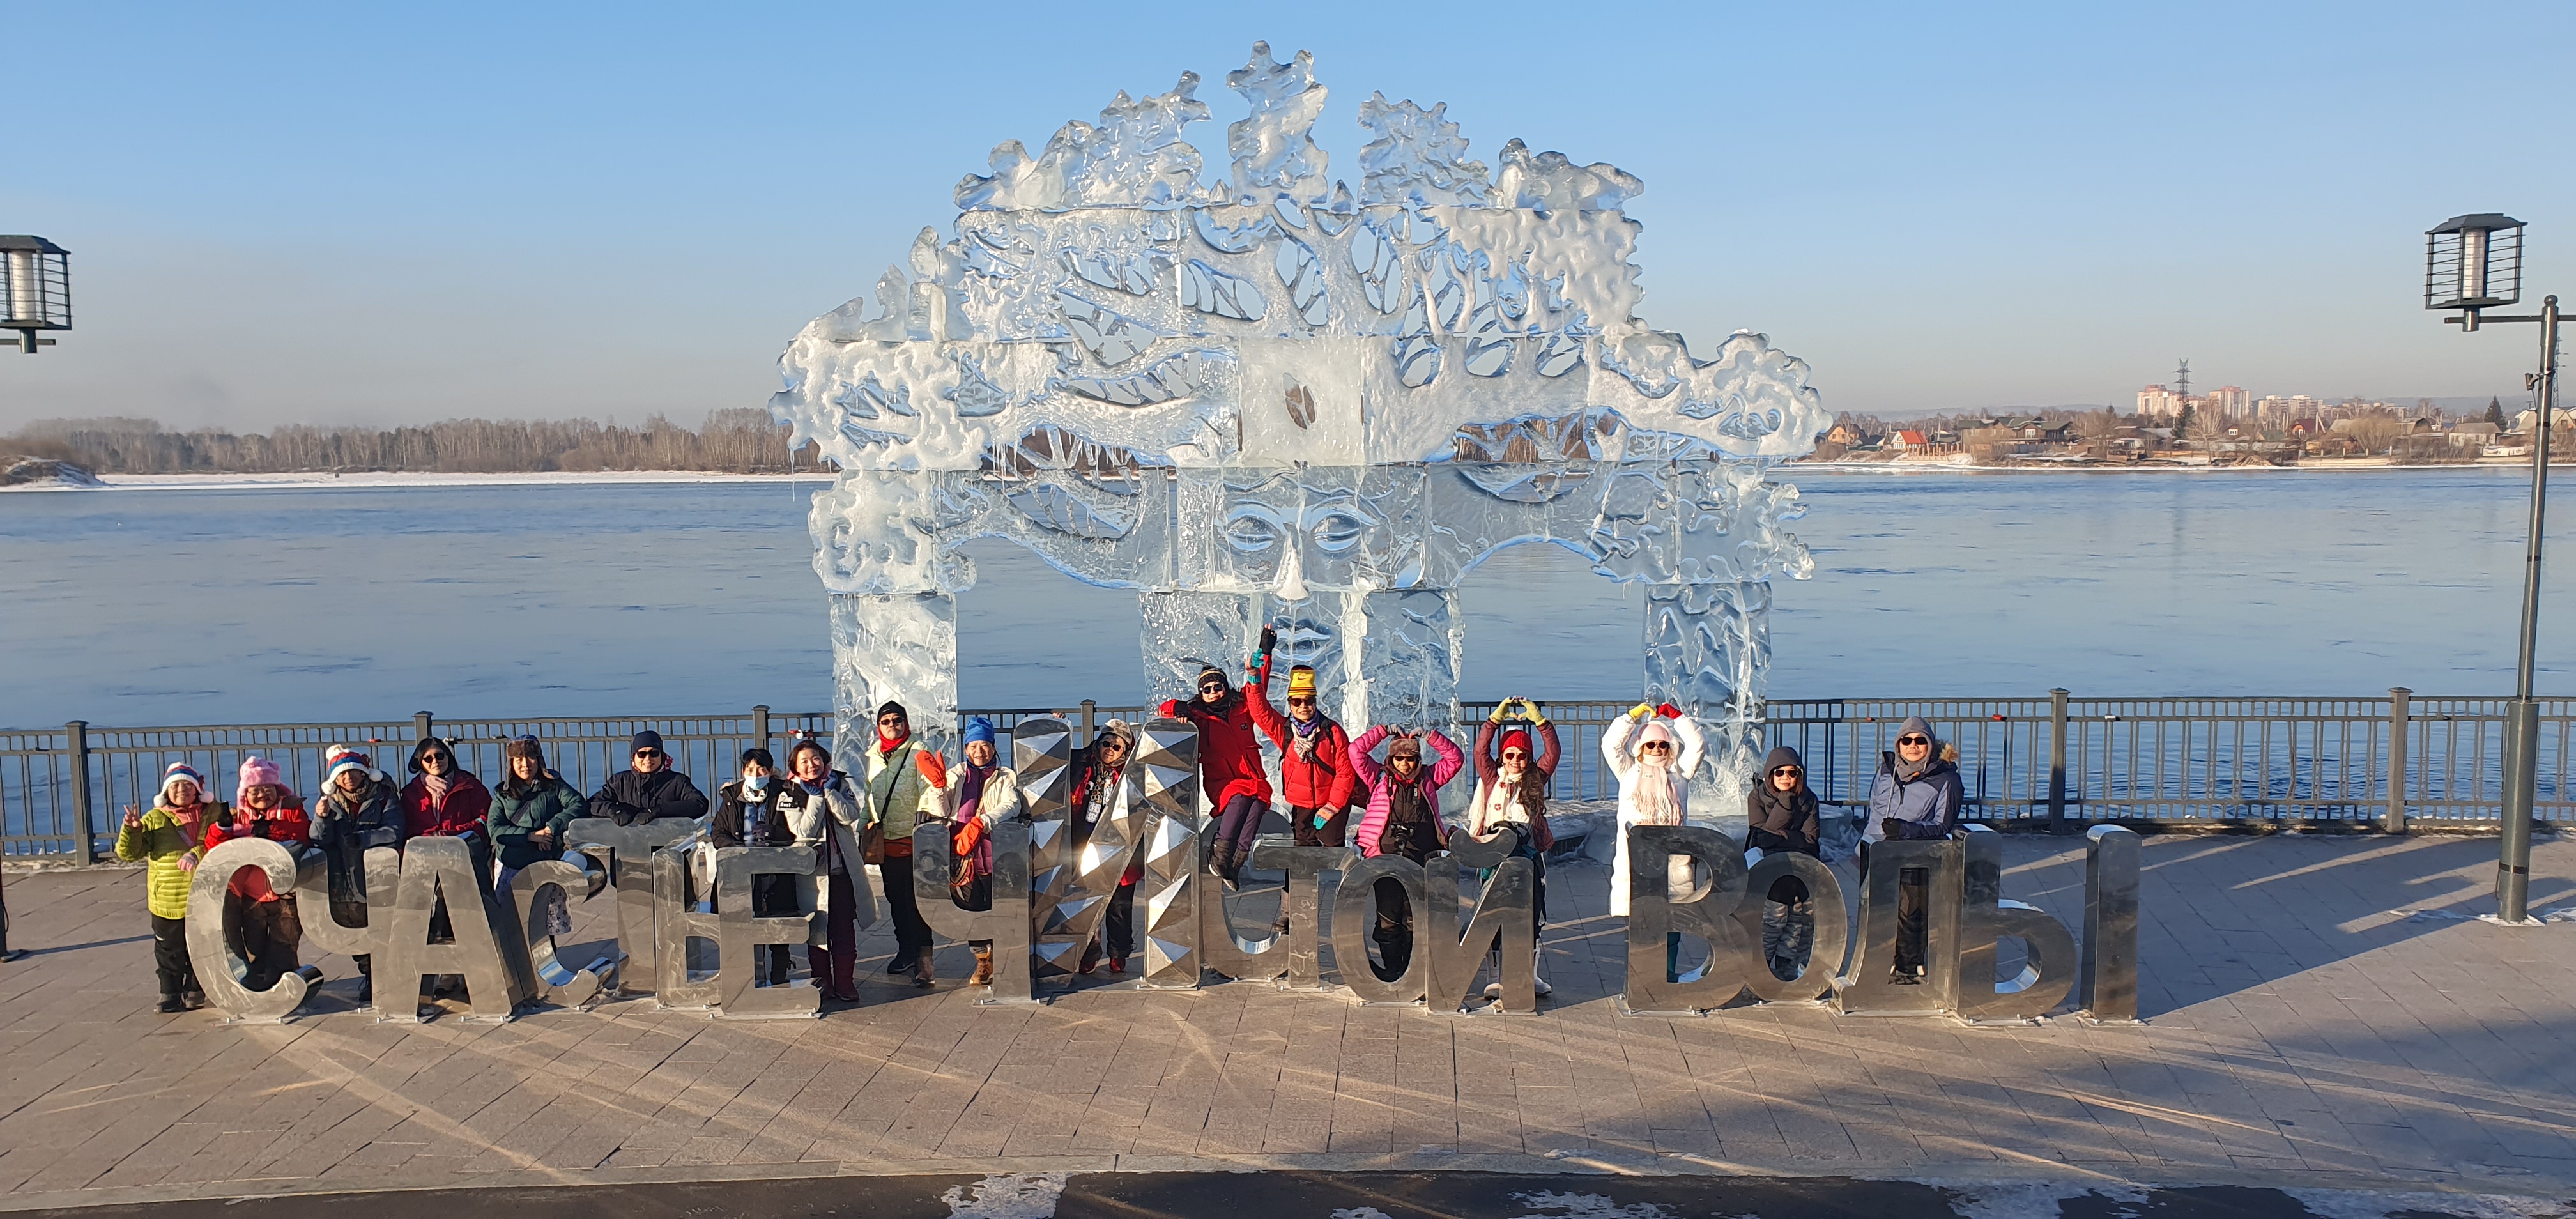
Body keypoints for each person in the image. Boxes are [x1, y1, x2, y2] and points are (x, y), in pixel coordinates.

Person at [1158, 629, 1278, 887]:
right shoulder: (1198, 715)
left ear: (1225, 687)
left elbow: (1258, 686)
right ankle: (1220, 853)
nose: (1213, 692)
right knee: (1240, 798)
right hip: (1222, 780)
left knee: (1257, 805)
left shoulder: (1243, 706)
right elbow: (1165, 710)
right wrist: (1177, 708)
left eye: (1218, 687)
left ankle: (1235, 864)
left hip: (1252, 776)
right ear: (1201, 694)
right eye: (1207, 689)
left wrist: (1265, 651)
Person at [1348, 723, 1463, 981]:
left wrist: (1430, 736)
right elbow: (1356, 751)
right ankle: (1392, 970)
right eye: (1399, 758)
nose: (1405, 764)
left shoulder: (1429, 778)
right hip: (1384, 856)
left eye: (1411, 759)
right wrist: (1383, 731)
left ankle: (1412, 972)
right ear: (1391, 759)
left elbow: (1456, 758)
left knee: (1414, 917)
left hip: (1421, 857)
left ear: (1418, 760)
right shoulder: (1377, 777)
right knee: (1388, 916)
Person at [1603, 702, 1706, 980]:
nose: (1657, 750)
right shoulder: (1628, 773)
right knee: (1642, 922)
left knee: (1672, 922)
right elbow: (1611, 744)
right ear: (1640, 748)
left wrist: (1677, 717)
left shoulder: (1680, 774)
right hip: (1639, 861)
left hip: (1673, 862)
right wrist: (1632, 717)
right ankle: (1642, 976)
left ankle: (1668, 975)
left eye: (1662, 745)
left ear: (1670, 747)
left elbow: (1697, 745)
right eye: (1651, 745)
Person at [1466, 698, 1560, 999]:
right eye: (1510, 754)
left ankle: (1529, 975)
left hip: (1527, 857)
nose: (1516, 761)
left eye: (1522, 756)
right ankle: (1495, 977)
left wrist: (1540, 721)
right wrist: (1495, 720)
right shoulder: (1493, 779)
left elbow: (1553, 753)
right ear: (1502, 757)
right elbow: (1480, 751)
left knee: (1532, 917)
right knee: (1492, 915)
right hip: (1493, 856)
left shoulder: (1536, 779)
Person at [1864, 716, 1963, 983]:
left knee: (1910, 915)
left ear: (1930, 744)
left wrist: (1906, 830)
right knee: (1877, 911)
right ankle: (1877, 964)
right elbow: (1875, 806)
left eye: (1920, 741)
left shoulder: (1946, 779)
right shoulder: (1886, 769)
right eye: (1906, 741)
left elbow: (1943, 824)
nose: (1913, 746)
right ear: (1898, 744)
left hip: (1914, 855)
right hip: (1876, 851)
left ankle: (1908, 969)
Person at [201, 757, 311, 991]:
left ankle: (285, 984)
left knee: (285, 943)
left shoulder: (291, 810)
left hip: (285, 893)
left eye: (267, 789)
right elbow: (213, 848)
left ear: (277, 789)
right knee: (255, 943)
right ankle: (259, 985)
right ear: (245, 794)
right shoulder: (238, 817)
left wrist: (272, 835)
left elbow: (302, 836)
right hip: (252, 895)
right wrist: (223, 828)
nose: (262, 795)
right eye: (255, 791)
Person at [774, 739, 872, 1002]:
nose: (811, 765)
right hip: (812, 875)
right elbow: (804, 830)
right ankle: (822, 982)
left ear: (825, 759)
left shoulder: (838, 783)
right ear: (795, 766)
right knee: (817, 931)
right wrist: (817, 798)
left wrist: (830, 793)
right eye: (804, 761)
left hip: (842, 872)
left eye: (816, 758)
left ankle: (845, 983)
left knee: (843, 930)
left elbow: (850, 815)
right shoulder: (789, 793)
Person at [932, 717, 1025, 987]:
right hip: (964, 855)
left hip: (997, 855)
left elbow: (1012, 804)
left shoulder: (1006, 776)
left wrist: (984, 821)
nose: (979, 752)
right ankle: (982, 960)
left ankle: (1003, 955)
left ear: (994, 747)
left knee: (1000, 906)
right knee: (971, 908)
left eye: (985, 745)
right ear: (966, 748)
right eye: (974, 746)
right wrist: (938, 788)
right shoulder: (956, 775)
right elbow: (940, 810)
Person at [116, 763, 215, 1012]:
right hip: (169, 899)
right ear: (166, 792)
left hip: (206, 894)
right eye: (175, 786)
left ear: (197, 789)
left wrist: (197, 852)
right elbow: (129, 853)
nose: (182, 790)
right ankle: (169, 993)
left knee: (202, 945)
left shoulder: (214, 813)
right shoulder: (154, 819)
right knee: (169, 949)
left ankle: (195, 989)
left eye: (187, 785)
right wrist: (132, 829)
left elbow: (223, 840)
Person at [309, 746, 401, 1002]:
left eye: (353, 773)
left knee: (381, 926)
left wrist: (362, 839)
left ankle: (381, 977)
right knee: (352, 927)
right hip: (343, 876)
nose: (348, 778)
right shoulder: (330, 803)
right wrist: (320, 818)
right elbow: (318, 839)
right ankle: (368, 973)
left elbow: (394, 831)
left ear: (364, 774)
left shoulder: (383, 797)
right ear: (334, 780)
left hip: (377, 874)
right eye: (342, 775)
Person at [862, 702, 941, 987]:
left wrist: (925, 824)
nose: (892, 725)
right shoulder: (874, 756)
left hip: (914, 839)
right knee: (896, 900)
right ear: (878, 726)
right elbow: (870, 795)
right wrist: (862, 826)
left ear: (906, 723)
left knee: (917, 902)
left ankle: (925, 960)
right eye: (886, 721)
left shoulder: (919, 752)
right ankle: (905, 950)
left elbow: (930, 790)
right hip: (886, 841)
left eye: (898, 720)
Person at [489, 735, 585, 969]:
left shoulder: (554, 786)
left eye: (531, 757)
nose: (526, 764)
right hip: (513, 864)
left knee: (546, 918)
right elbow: (495, 829)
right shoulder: (502, 794)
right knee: (512, 919)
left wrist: (552, 828)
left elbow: (578, 805)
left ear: (539, 759)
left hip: (545, 863)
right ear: (511, 763)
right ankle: (515, 966)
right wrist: (530, 837)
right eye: (519, 759)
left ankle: (547, 963)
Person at [1248, 661, 1357, 848]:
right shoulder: (1285, 732)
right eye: (1297, 701)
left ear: (1315, 703)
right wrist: (1254, 680)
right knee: (1304, 850)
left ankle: (1336, 877)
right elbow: (1260, 712)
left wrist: (1333, 806)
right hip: (1302, 804)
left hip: (1331, 800)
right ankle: (1302, 879)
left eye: (1308, 701)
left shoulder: (1332, 731)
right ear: (1290, 705)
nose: (1303, 706)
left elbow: (1345, 773)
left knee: (1332, 842)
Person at [712, 747, 793, 987]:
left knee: (778, 922)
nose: (755, 774)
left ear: (770, 772)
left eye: (761, 769)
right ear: (743, 771)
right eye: (750, 770)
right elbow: (717, 832)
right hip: (740, 870)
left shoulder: (784, 794)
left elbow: (794, 833)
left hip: (775, 871)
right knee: (742, 922)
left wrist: (774, 833)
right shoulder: (731, 796)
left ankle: (780, 973)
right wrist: (737, 848)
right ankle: (747, 976)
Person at [1066, 719, 1140, 975]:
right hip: (1084, 845)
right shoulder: (1083, 765)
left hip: (1122, 849)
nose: (1109, 749)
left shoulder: (1133, 776)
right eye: (1105, 743)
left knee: (1120, 907)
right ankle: (1089, 951)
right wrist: (1057, 725)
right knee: (1086, 904)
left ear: (1127, 751)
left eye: (1117, 747)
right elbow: (1057, 755)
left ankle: (1119, 953)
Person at [1746, 744, 1821, 981]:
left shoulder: (1809, 799)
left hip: (1802, 867)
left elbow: (1810, 839)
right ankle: (1763, 962)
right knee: (1774, 920)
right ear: (1770, 774)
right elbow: (1761, 836)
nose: (1786, 778)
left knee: (1799, 919)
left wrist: (1780, 838)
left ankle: (1786, 964)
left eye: (1792, 773)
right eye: (1780, 773)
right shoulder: (1757, 797)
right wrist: (1786, 805)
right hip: (1772, 870)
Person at [590, 730, 709, 825]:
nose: (648, 759)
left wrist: (659, 811)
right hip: (627, 844)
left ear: (662, 755)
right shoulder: (620, 781)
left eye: (654, 753)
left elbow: (700, 804)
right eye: (642, 754)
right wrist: (613, 810)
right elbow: (593, 803)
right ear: (634, 757)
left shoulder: (678, 781)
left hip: (667, 845)